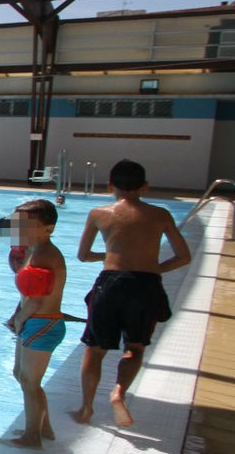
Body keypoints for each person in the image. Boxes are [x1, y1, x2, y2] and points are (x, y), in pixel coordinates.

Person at [73, 159, 190, 428]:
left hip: (110, 283)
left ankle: (86, 409)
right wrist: (154, 268)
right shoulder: (161, 215)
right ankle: (118, 393)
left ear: (110, 185)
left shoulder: (98, 213)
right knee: (135, 347)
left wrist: (113, 255)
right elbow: (183, 257)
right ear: (145, 186)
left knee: (95, 348)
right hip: (146, 285)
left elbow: (83, 255)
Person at [3, 199, 67, 448]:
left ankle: (33, 436)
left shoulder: (44, 256)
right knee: (21, 375)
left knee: (30, 382)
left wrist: (19, 319)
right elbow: (28, 296)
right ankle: (43, 427)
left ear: (47, 229)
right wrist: (16, 315)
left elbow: (37, 300)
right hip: (34, 322)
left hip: (42, 323)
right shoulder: (32, 251)